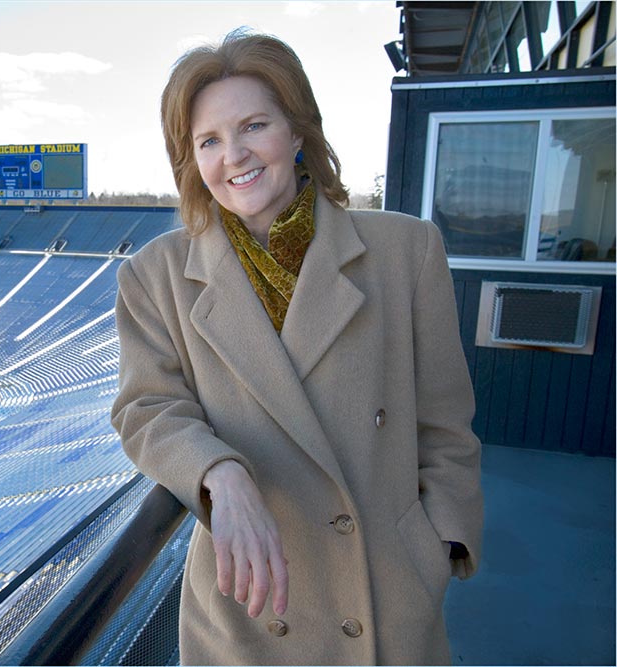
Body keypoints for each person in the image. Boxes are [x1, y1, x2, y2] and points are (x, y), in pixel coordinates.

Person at [111, 30, 483, 665]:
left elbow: (445, 427)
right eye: (209, 141)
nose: (234, 156)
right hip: (249, 613)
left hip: (384, 598)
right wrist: (218, 473)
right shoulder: (154, 274)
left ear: (298, 130)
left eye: (254, 125)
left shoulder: (406, 251)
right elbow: (147, 408)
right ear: (191, 160)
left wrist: (435, 550)